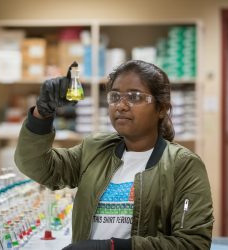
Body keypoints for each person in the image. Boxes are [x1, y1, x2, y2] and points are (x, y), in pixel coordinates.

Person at [14, 60, 214, 250]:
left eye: (134, 97)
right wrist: (42, 113)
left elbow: (193, 244)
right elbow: (37, 166)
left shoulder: (183, 166)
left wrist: (112, 247)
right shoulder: (94, 150)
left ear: (161, 108)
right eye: (115, 96)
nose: (121, 105)